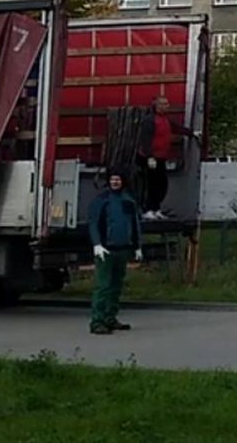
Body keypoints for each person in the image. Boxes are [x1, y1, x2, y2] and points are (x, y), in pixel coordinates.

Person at [88, 172, 142, 335]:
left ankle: (110, 318)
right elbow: (94, 223)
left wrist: (137, 246)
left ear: (123, 181)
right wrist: (97, 243)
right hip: (106, 249)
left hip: (123, 249)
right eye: (112, 179)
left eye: (118, 179)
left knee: (116, 286)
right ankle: (97, 321)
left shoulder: (128, 200)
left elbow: (135, 223)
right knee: (103, 286)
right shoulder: (102, 200)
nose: (115, 182)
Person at [134, 96, 193, 220]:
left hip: (161, 157)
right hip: (150, 158)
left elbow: (177, 128)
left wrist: (192, 133)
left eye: (167, 104)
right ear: (157, 106)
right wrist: (149, 157)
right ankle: (147, 209)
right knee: (152, 184)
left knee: (161, 184)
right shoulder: (149, 120)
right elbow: (145, 139)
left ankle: (156, 209)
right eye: (164, 104)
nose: (167, 106)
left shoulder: (166, 119)